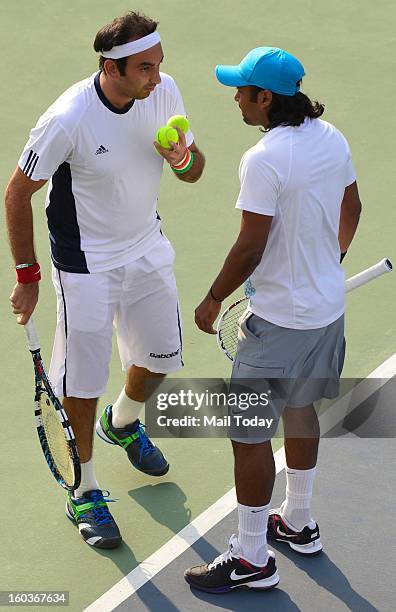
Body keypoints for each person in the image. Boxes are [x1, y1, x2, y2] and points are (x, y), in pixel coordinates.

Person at [5, 10, 205, 549]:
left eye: (159, 65)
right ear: (111, 68)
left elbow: (194, 169)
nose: (157, 78)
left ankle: (122, 422)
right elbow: (17, 192)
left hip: (147, 247)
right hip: (84, 264)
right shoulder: (68, 118)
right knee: (83, 381)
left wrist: (183, 159)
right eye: (145, 69)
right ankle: (85, 488)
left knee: (162, 357)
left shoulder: (162, 93)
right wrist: (28, 275)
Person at [184, 47, 361, 593]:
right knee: (301, 406)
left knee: (248, 434)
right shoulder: (330, 137)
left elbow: (250, 246)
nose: (235, 96)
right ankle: (300, 521)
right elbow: (352, 207)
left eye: (242, 89)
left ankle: (253, 556)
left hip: (279, 322)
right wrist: (325, 267)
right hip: (326, 311)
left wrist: (213, 299)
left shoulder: (262, 159)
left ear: (267, 98)